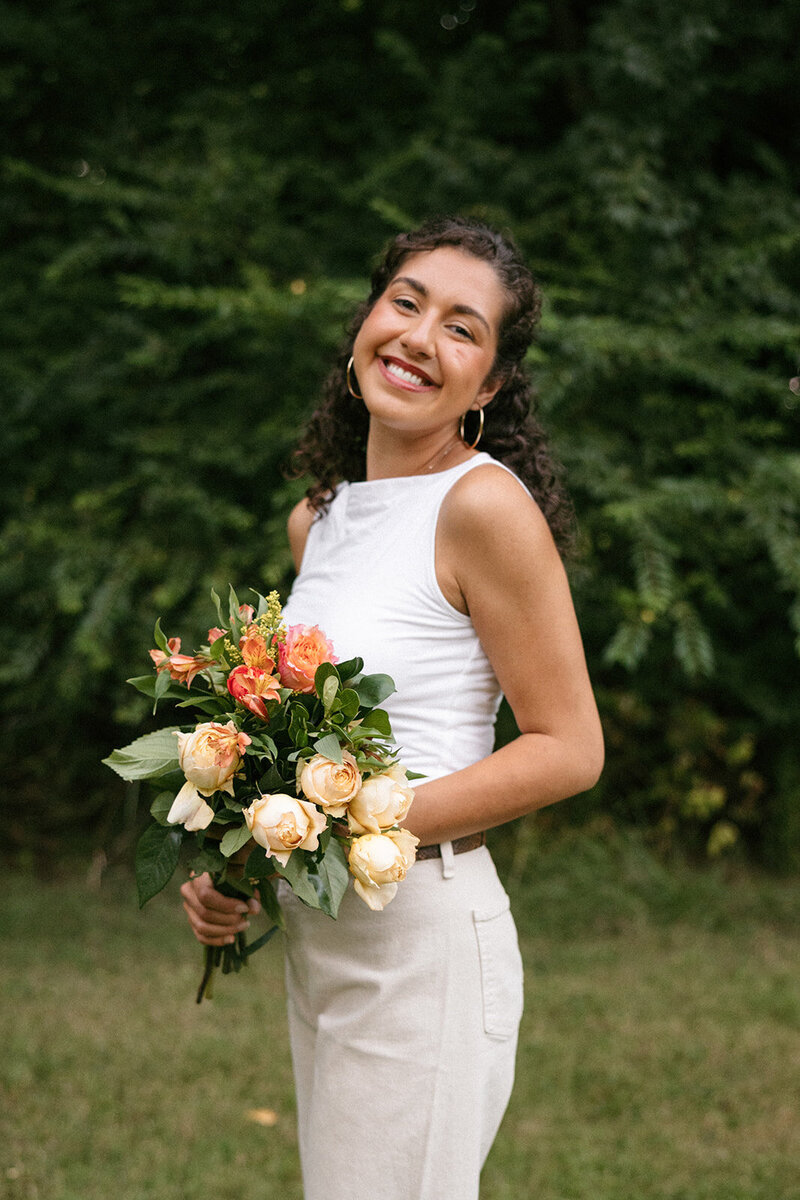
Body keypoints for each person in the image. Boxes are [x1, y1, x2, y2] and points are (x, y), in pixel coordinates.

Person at [180, 215, 604, 1200]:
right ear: (364, 323)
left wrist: (352, 822)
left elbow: (568, 748)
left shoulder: (481, 507)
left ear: (488, 386)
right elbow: (298, 743)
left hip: (420, 940)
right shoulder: (318, 521)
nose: (417, 337)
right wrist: (239, 860)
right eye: (404, 303)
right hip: (323, 934)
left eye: (461, 328)